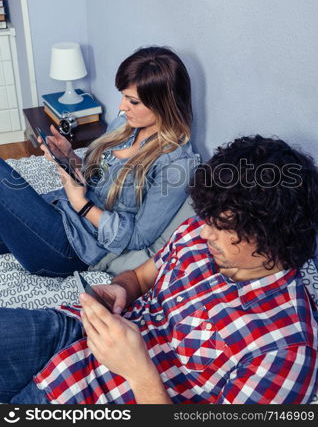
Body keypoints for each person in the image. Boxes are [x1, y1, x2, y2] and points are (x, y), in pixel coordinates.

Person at [1, 135, 318, 404]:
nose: (204, 232)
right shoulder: (199, 232)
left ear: (273, 237)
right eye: (207, 218)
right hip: (75, 334)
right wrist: (121, 290)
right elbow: (140, 277)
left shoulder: (286, 353)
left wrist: (138, 371)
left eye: (222, 227)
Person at [0, 46, 199, 277]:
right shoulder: (123, 126)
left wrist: (82, 205)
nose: (122, 107)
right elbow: (95, 178)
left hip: (72, 248)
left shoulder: (176, 165)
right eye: (123, 96)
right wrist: (69, 157)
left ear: (164, 104)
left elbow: (138, 239)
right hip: (57, 210)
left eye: (133, 101)